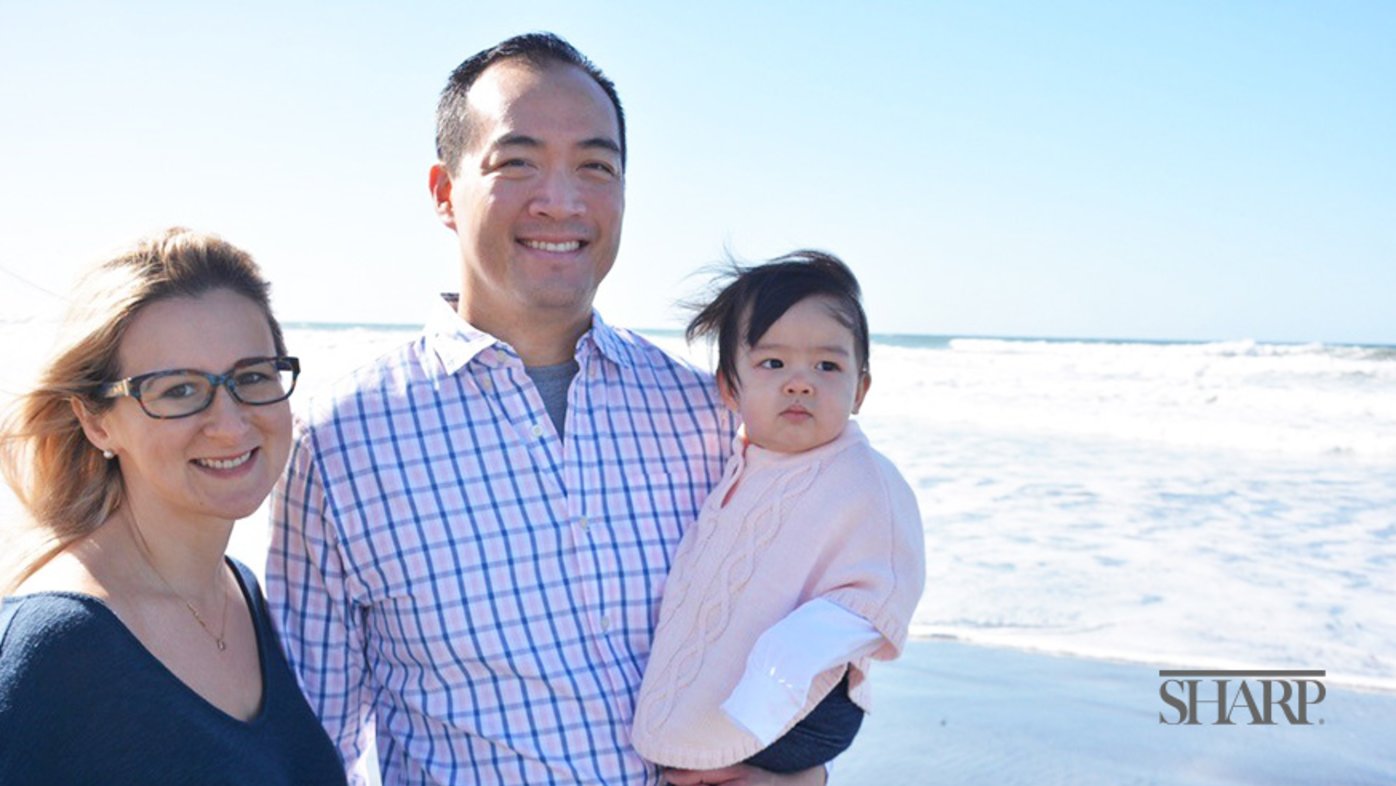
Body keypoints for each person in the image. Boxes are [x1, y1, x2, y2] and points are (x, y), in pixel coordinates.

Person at [268, 32, 826, 785]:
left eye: (596, 167)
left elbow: (796, 638)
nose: (561, 201)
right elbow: (310, 744)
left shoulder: (710, 416)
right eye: (517, 161)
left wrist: (800, 775)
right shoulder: (340, 441)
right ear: (443, 192)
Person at [0, 228, 346, 785]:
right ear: (96, 420)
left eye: (252, 376)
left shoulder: (240, 592)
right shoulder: (56, 645)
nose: (230, 423)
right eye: (178, 390)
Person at [631, 251, 925, 775]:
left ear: (860, 390)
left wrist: (776, 672)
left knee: (712, 767)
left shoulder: (863, 477)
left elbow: (883, 590)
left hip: (808, 706)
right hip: (749, 692)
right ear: (728, 387)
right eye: (773, 363)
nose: (800, 382)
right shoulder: (745, 460)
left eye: (828, 366)